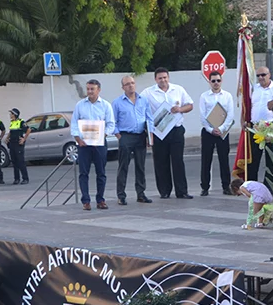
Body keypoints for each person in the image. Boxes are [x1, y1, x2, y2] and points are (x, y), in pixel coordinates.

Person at [143, 68, 195, 199]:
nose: (163, 80)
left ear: (168, 77)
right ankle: (164, 191)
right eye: (160, 78)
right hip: (159, 132)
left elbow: (190, 105)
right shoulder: (148, 93)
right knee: (161, 162)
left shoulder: (178, 89)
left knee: (178, 161)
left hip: (176, 130)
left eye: (165, 77)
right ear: (155, 79)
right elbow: (140, 107)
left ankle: (182, 191)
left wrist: (180, 109)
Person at [70, 79, 116, 210]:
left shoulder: (105, 105)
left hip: (100, 144)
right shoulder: (80, 105)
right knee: (83, 173)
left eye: (92, 89)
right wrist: (78, 139)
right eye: (88, 89)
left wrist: (103, 135)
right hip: (84, 144)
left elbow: (111, 124)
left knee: (101, 172)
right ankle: (86, 201)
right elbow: (74, 123)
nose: (89, 91)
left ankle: (100, 200)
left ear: (98, 90)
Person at [112, 75, 152, 204]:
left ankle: (141, 193)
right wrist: (119, 136)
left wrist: (149, 136)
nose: (131, 86)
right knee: (123, 166)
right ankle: (121, 195)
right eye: (128, 84)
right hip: (126, 136)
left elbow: (149, 118)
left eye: (133, 83)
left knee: (140, 166)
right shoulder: (117, 102)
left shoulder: (143, 100)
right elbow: (113, 122)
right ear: (123, 87)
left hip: (141, 135)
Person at [199, 71, 235, 196]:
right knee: (206, 160)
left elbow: (230, 115)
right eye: (213, 81)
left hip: (223, 132)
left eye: (218, 80)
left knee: (224, 159)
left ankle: (226, 186)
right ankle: (204, 187)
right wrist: (210, 129)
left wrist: (221, 128)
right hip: (208, 132)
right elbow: (202, 116)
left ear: (221, 81)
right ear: (209, 82)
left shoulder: (227, 96)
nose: (216, 83)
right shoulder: (204, 96)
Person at [249, 66, 273, 184]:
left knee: (270, 158)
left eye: (263, 75)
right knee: (254, 157)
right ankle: (252, 183)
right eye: (258, 75)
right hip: (255, 127)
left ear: (269, 75)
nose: (261, 77)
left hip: (271, 126)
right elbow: (248, 105)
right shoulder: (254, 89)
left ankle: (269, 184)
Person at [6, 109, 31, 185]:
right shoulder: (12, 122)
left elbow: (28, 130)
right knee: (14, 162)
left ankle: (25, 178)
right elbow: (11, 131)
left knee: (20, 161)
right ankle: (16, 179)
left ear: (15, 114)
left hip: (18, 144)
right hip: (12, 144)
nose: (10, 115)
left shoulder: (21, 122)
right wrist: (7, 138)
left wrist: (24, 139)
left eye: (12, 114)